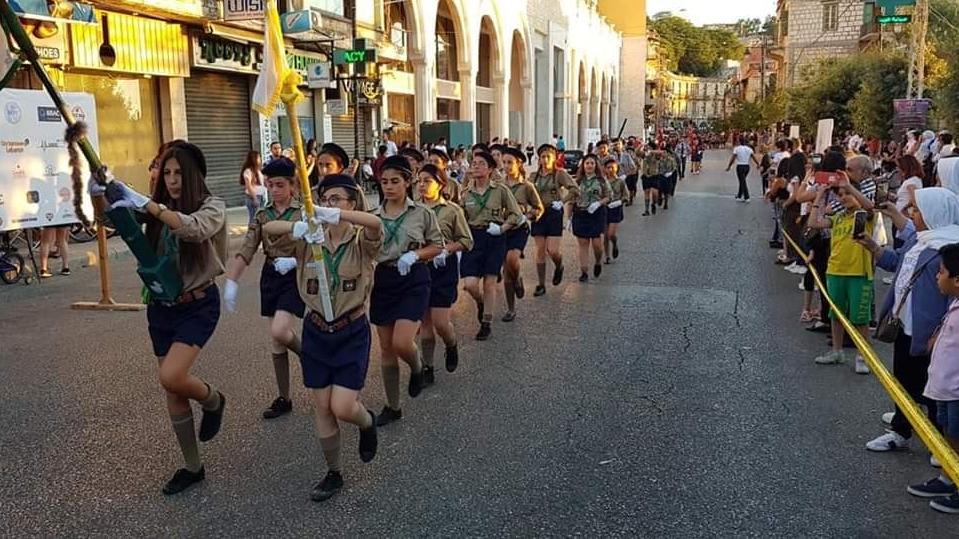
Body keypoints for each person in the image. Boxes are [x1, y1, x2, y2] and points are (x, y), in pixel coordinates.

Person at [94, 142, 227, 495]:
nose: (171, 179)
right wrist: (101, 193)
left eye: (179, 172)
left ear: (194, 174)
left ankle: (213, 399)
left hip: (198, 304)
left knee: (172, 375)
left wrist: (147, 204)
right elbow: (108, 221)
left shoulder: (213, 206)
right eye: (166, 172)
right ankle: (192, 466)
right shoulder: (152, 209)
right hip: (161, 305)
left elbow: (194, 229)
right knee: (171, 387)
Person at [261, 174, 382, 502]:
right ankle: (334, 472)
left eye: (336, 199)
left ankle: (367, 422)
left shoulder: (360, 241)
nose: (327, 206)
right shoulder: (309, 237)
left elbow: (375, 224)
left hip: (350, 331)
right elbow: (267, 230)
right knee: (322, 407)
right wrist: (296, 228)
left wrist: (339, 217)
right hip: (316, 331)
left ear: (351, 203)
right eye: (324, 200)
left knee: (342, 407)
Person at [855, 188, 959, 453]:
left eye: (917, 209)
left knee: (934, 389)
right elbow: (897, 264)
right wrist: (873, 247)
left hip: (933, 332)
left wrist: (940, 332)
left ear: (934, 213)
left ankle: (941, 446)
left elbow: (953, 296)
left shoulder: (948, 248)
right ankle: (901, 430)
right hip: (904, 323)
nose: (912, 213)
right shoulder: (921, 239)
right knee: (902, 379)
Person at [224, 157, 305, 419]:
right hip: (272, 274)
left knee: (281, 330)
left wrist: (295, 261)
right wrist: (232, 281)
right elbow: (248, 247)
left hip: (295, 273)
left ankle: (309, 355)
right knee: (277, 341)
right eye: (270, 185)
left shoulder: (303, 213)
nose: (274, 190)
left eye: (280, 185)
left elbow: (319, 248)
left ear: (292, 185)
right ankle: (284, 397)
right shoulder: (262, 215)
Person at [369, 156, 444, 426]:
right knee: (387, 348)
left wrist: (415, 256)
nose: (388, 187)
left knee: (402, 342)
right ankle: (393, 406)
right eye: (384, 182)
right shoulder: (372, 216)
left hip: (413, 277)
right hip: (385, 279)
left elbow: (438, 246)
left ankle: (417, 367)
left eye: (395, 181)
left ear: (408, 182)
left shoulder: (422, 213)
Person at [806, 171, 875, 374]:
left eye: (848, 194)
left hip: (858, 273)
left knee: (860, 318)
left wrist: (850, 186)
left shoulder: (864, 216)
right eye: (841, 194)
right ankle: (837, 351)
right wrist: (819, 195)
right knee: (836, 314)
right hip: (835, 271)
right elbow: (813, 223)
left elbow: (870, 206)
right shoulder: (837, 218)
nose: (844, 197)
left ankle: (863, 356)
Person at [908, 242, 959, 513]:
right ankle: (949, 477)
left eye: (941, 272)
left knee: (956, 434)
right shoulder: (954, 305)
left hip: (956, 390)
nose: (937, 277)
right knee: (947, 433)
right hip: (944, 387)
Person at [416, 164, 474, 386]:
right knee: (425, 324)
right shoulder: (412, 209)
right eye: (419, 180)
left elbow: (467, 241)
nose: (422, 185)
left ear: (441, 184)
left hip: (443, 269)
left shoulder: (452, 210)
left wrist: (446, 250)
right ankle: (428, 366)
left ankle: (451, 344)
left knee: (441, 322)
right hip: (419, 269)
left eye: (427, 181)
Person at [460, 151, 523, 340]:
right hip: (473, 237)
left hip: (494, 237)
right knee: (470, 284)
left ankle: (486, 322)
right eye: (473, 163)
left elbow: (516, 215)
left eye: (481, 164)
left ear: (490, 169)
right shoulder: (465, 193)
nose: (476, 167)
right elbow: (460, 218)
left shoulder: (500, 190)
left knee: (489, 281)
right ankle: (480, 303)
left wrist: (502, 228)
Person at [529, 143, 579, 297]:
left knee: (553, 250)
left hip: (553, 212)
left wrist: (562, 201)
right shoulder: (533, 176)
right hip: (538, 213)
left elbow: (574, 189)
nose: (545, 160)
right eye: (542, 157)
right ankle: (541, 284)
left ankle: (559, 265)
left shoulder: (559, 174)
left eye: (548, 157)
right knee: (540, 250)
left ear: (554, 158)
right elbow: (526, 193)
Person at [501, 147, 544, 322]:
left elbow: (539, 208)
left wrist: (527, 217)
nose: (506, 166)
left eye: (509, 162)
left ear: (519, 164)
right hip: (501, 228)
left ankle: (518, 277)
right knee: (506, 271)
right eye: (503, 162)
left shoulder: (527, 186)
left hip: (519, 229)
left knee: (512, 259)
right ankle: (511, 308)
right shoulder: (498, 186)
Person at [570, 154, 610, 282]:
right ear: (583, 165)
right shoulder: (577, 181)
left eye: (592, 163)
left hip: (596, 214)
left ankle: (598, 261)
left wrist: (598, 203)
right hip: (580, 214)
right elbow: (571, 199)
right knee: (583, 244)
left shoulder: (602, 181)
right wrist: (568, 218)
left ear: (595, 165)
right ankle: (584, 272)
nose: (589, 165)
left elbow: (609, 196)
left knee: (597, 245)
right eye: (587, 163)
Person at [603, 158, 627, 264]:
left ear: (616, 168)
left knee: (611, 234)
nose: (610, 169)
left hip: (616, 209)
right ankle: (607, 256)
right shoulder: (602, 182)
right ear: (605, 169)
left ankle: (615, 243)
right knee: (605, 234)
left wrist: (619, 202)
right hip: (604, 209)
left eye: (613, 167)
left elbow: (625, 196)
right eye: (608, 167)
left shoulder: (620, 182)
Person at [726, 137, 762, 202]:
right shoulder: (749, 149)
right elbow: (753, 157)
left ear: (739, 142)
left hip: (740, 166)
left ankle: (747, 197)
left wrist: (729, 166)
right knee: (742, 181)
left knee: (742, 181)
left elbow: (733, 158)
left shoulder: (736, 149)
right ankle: (739, 195)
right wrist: (758, 164)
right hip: (747, 166)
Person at [240, 151, 266, 224]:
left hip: (260, 196)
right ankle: (252, 234)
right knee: (254, 219)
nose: (260, 159)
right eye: (258, 157)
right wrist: (254, 198)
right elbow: (248, 186)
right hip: (253, 197)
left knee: (260, 218)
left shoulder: (257, 170)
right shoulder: (248, 171)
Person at [641, 142, 663, 216]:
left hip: (654, 176)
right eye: (647, 147)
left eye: (649, 147)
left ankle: (654, 203)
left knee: (655, 193)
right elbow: (637, 152)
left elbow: (662, 152)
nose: (647, 148)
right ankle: (646, 210)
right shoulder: (644, 154)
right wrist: (641, 145)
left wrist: (651, 151)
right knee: (646, 192)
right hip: (646, 176)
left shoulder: (655, 154)